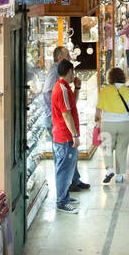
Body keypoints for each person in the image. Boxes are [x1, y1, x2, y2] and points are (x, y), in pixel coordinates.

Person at [42, 44, 89, 192]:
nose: (70, 58)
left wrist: (77, 89)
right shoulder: (54, 74)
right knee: (62, 155)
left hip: (62, 119)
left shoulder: (64, 82)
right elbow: (47, 93)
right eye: (67, 56)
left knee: (70, 153)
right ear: (59, 58)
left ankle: (74, 179)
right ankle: (65, 190)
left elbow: (69, 103)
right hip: (56, 120)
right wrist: (55, 111)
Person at [51, 57, 82, 213]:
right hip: (64, 137)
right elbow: (66, 114)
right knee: (64, 169)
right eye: (73, 72)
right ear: (70, 71)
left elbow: (71, 106)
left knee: (66, 168)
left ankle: (65, 196)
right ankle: (61, 201)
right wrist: (74, 135)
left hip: (64, 135)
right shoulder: (61, 89)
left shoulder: (65, 87)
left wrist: (77, 88)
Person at [95, 66, 129, 184]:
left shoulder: (104, 90)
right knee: (122, 149)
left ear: (109, 78)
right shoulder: (127, 90)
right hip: (124, 123)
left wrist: (96, 121)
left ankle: (109, 169)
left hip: (107, 123)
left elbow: (98, 110)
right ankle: (119, 175)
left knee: (107, 148)